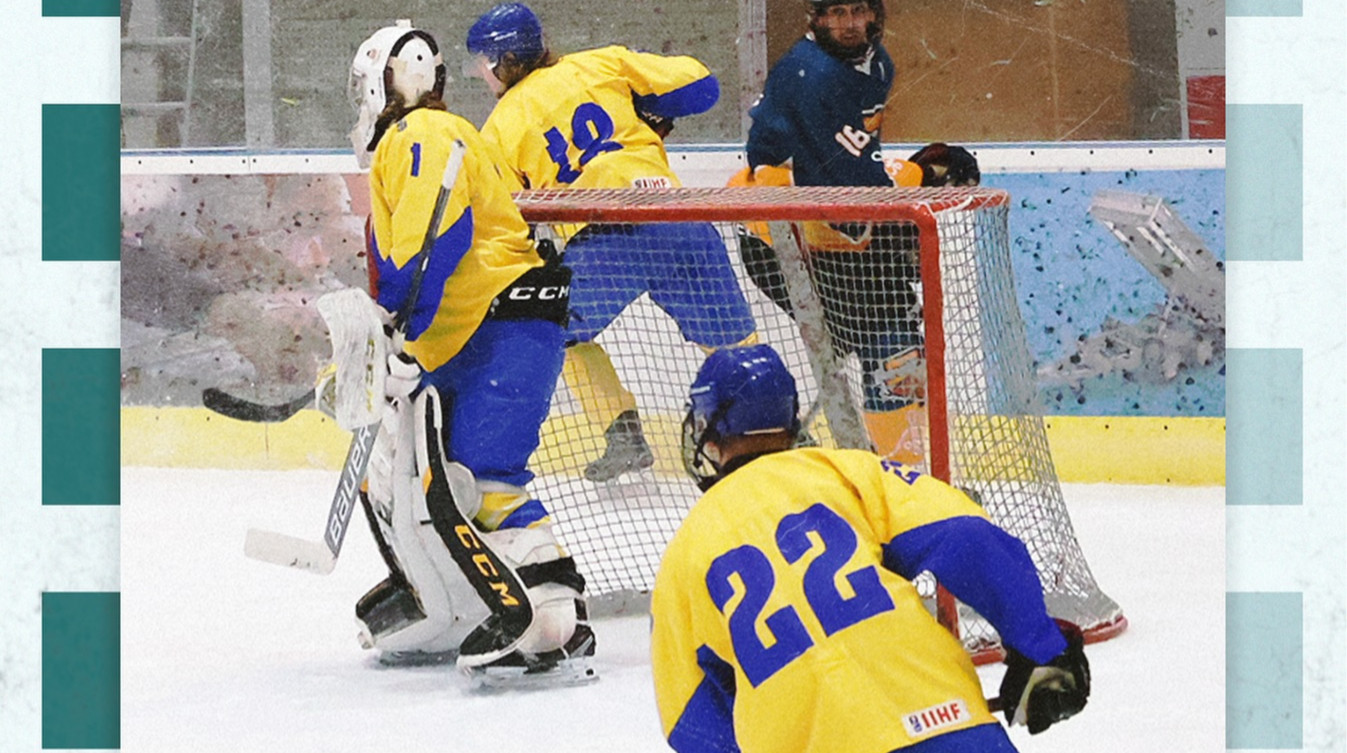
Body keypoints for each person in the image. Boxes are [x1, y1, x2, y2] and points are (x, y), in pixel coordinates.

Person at [650, 343, 1090, 752]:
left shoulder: (684, 555)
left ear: (709, 430)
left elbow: (688, 718)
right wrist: (1040, 646)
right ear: (790, 416)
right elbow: (965, 536)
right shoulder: (846, 472)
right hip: (945, 720)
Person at [343, 20, 593, 682]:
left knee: (483, 478)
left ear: (389, 76)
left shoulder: (421, 134)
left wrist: (402, 327)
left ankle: (548, 616)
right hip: (480, 326)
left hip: (502, 325)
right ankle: (459, 601)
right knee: (429, 474)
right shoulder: (423, 136)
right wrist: (402, 341)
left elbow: (436, 240)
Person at [463, 2, 759, 482]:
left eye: (483, 65)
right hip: (676, 222)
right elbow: (702, 87)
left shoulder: (497, 128)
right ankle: (773, 427)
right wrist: (647, 109)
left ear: (501, 62)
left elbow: (504, 219)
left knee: (551, 328)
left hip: (601, 244)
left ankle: (618, 431)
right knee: (735, 344)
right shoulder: (599, 62)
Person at [732, 0, 979, 466]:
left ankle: (890, 468)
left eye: (858, 11)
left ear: (875, 14)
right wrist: (919, 176)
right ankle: (896, 479)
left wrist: (908, 176)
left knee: (894, 343)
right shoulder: (812, 77)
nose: (848, 24)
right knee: (891, 345)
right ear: (816, 19)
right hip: (781, 239)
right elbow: (847, 195)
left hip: (829, 230)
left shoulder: (875, 62)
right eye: (836, 13)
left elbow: (858, 166)